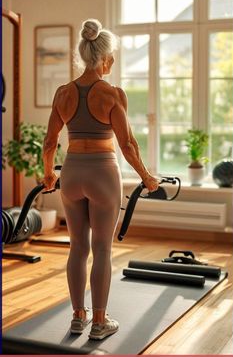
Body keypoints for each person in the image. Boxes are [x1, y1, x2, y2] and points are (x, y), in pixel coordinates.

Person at [42, 19, 159, 340]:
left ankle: (77, 317)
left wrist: (48, 173)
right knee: (102, 249)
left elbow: (50, 142)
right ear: (105, 58)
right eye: (114, 58)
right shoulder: (112, 93)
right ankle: (99, 323)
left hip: (72, 173)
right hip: (102, 174)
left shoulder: (62, 93)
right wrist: (147, 177)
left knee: (77, 247)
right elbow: (128, 145)